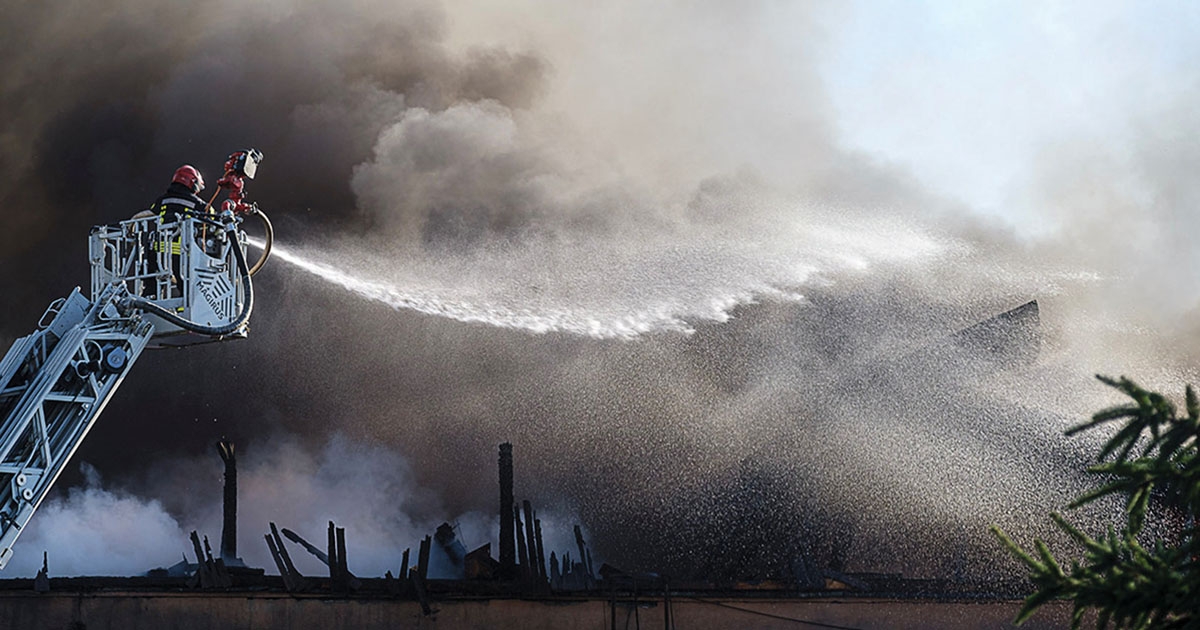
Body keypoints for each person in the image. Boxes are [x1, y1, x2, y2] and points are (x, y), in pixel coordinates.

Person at [142, 165, 208, 298]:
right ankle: (183, 311)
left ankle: (148, 301)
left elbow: (149, 213)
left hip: (158, 253)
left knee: (152, 281)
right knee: (186, 289)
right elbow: (214, 220)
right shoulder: (198, 204)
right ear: (193, 183)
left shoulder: (163, 200)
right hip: (181, 254)